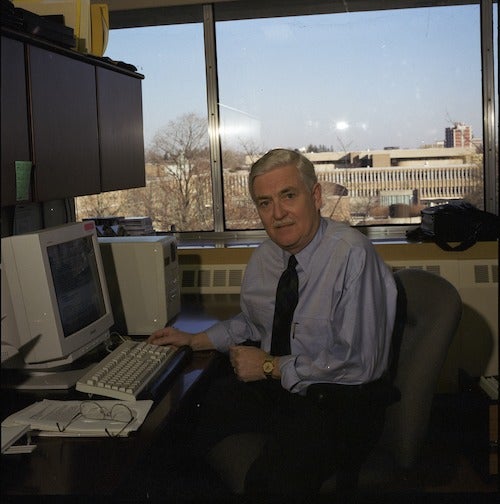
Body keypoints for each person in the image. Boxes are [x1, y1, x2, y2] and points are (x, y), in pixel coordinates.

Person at [148, 148, 398, 495]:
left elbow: (359, 364)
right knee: (180, 428)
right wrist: (195, 340)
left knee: (272, 481)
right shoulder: (267, 255)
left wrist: (269, 366)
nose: (277, 214)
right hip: (282, 390)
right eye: (265, 203)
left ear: (315, 196)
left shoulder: (353, 256)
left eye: (288, 196)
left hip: (340, 402)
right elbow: (253, 322)